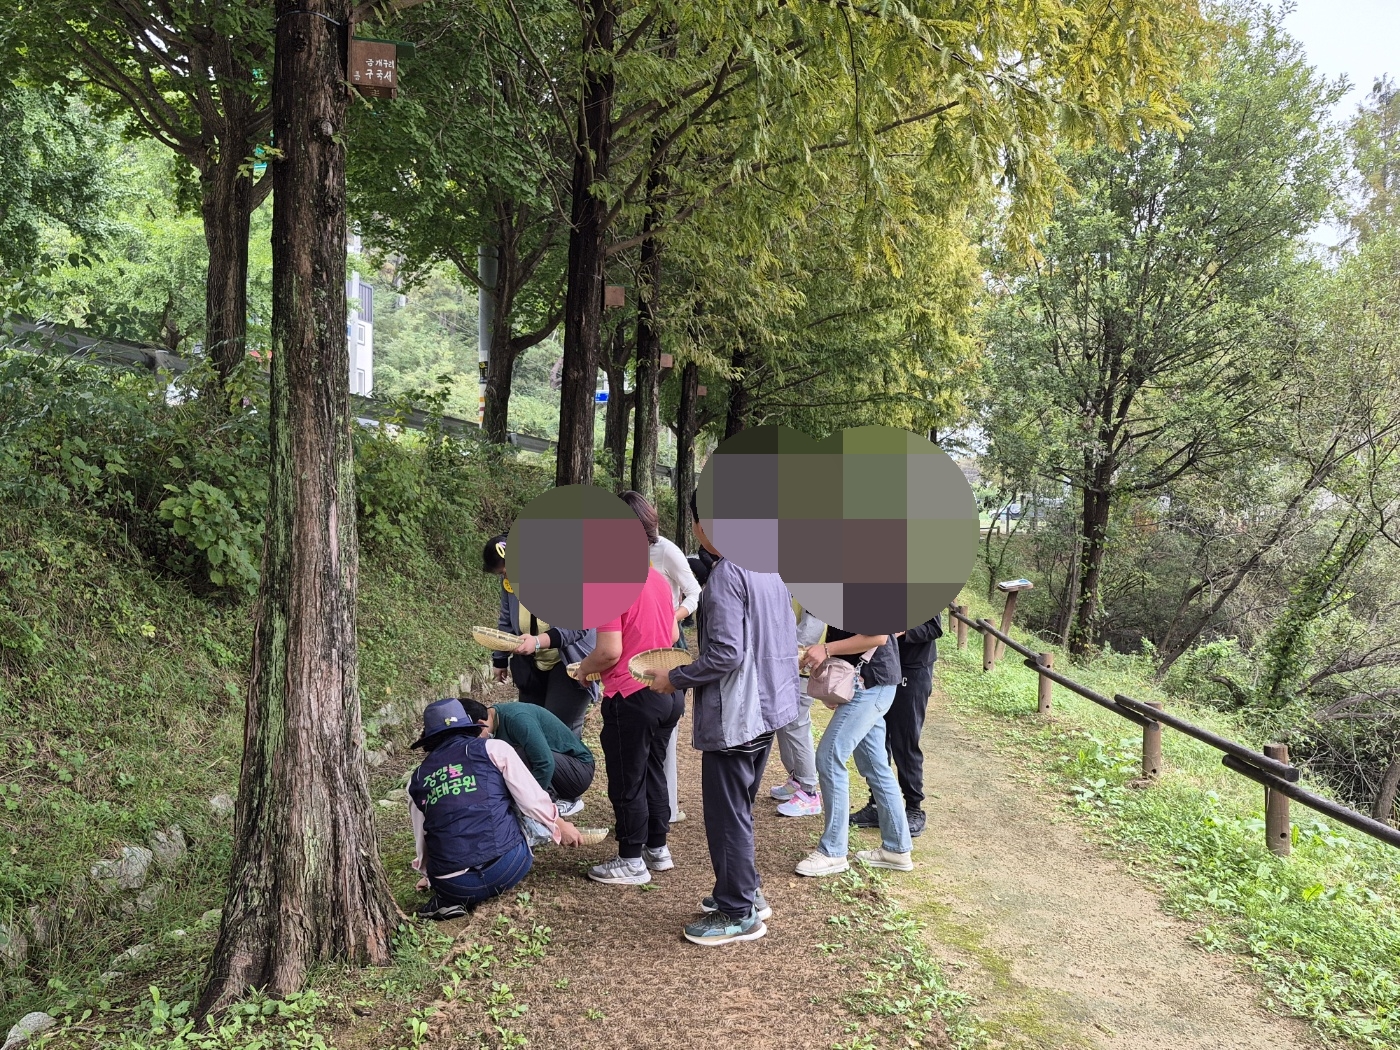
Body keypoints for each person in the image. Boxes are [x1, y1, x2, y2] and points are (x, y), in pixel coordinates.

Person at [649, 490, 800, 946]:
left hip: (739, 716)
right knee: (739, 809)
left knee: (727, 816)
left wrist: (675, 678)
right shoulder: (769, 567)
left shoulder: (727, 575)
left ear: (704, 526)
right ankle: (745, 891)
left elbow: (726, 655)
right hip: (770, 708)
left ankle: (737, 912)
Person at [407, 698, 590, 918]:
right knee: (507, 801)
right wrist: (558, 824)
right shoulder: (495, 749)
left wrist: (429, 875)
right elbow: (531, 801)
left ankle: (448, 901)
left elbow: (422, 836)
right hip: (509, 866)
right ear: (470, 726)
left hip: (454, 884)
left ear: (429, 738)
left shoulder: (416, 778)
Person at [573, 562, 682, 886]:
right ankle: (657, 848)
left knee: (627, 778)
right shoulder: (656, 578)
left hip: (631, 695)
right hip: (665, 691)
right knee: (653, 770)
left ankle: (631, 859)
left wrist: (583, 669)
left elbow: (609, 652)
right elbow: (673, 634)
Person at [795, 628, 914, 877]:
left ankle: (833, 852)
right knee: (875, 764)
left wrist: (826, 650)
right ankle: (897, 849)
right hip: (867, 681)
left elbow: (879, 636)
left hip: (871, 683)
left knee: (829, 757)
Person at [618, 490, 701, 826]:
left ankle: (665, 809)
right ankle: (651, 813)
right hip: (631, 644)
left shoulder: (665, 550)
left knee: (662, 733)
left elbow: (694, 592)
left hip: (666, 640)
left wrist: (672, 616)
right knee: (643, 734)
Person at [482, 535, 597, 736]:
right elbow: (506, 619)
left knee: (558, 730)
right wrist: (500, 659)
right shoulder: (509, 582)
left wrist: (537, 642)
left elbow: (577, 627)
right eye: (503, 573)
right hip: (532, 661)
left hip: (568, 660)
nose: (507, 577)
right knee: (531, 725)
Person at [849, 614, 943, 837]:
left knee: (905, 740)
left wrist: (903, 632)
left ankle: (914, 808)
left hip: (912, 669)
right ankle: (876, 805)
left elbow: (934, 628)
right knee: (877, 738)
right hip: (880, 666)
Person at [458, 698, 595, 818]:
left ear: (481, 724)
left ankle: (550, 804)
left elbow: (545, 763)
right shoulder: (494, 720)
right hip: (557, 766)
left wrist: (530, 803)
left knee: (517, 754)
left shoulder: (517, 719)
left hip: (578, 772)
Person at [769, 598, 825, 817]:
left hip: (800, 666)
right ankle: (797, 780)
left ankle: (809, 792)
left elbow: (811, 630)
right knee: (785, 723)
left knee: (797, 724)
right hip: (791, 664)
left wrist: (785, 659)